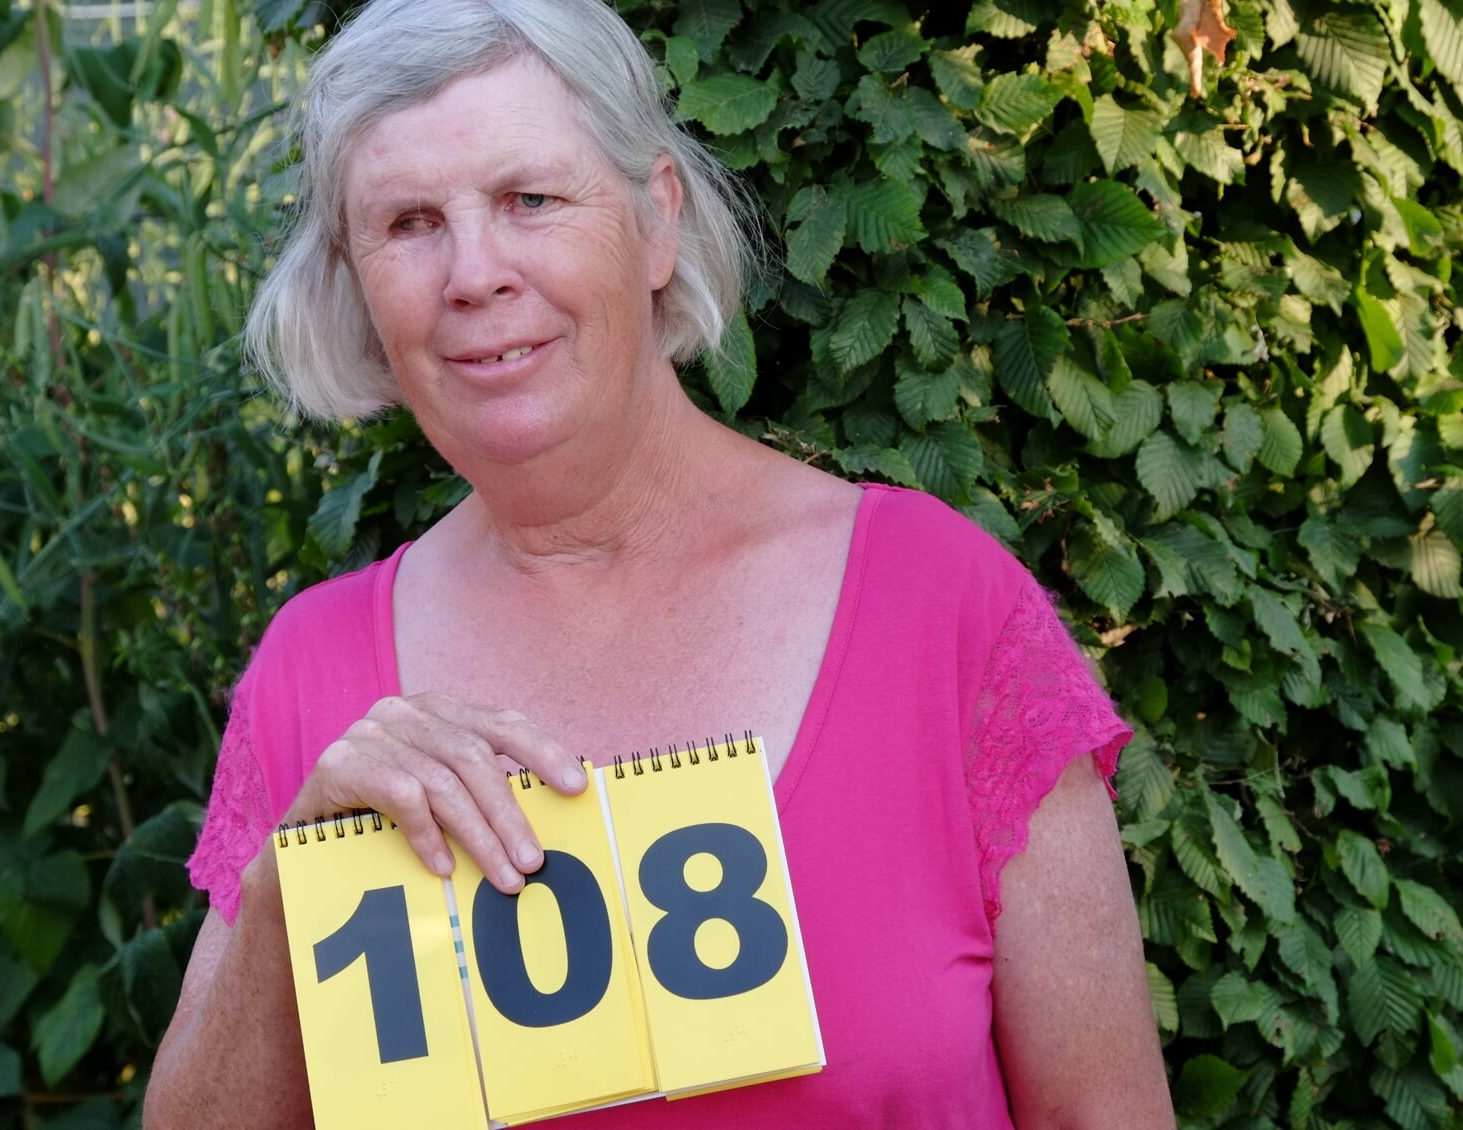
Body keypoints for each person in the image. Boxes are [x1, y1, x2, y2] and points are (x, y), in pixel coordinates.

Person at [144, 0, 1173, 1126]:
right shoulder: (317, 674)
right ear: (357, 284)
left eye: (529, 199)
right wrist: (292, 885)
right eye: (408, 223)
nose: (473, 273)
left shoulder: (940, 610)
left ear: (656, 220)